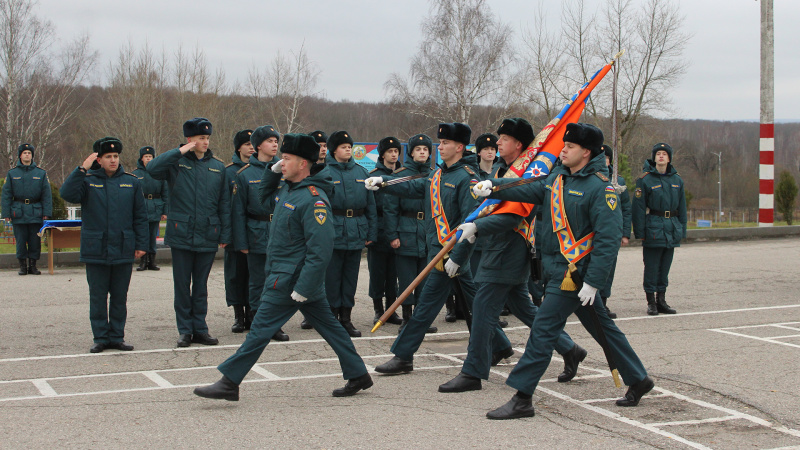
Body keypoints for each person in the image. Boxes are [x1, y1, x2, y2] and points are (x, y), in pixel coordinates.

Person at [473, 123, 653, 420]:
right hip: (555, 269)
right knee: (603, 328)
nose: (563, 150)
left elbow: (608, 241)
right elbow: (530, 188)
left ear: (586, 152)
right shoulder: (558, 178)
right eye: (564, 145)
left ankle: (522, 397)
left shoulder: (601, 188)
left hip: (575, 275)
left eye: (570, 146)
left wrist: (594, 282)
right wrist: (495, 186)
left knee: (542, 330)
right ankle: (638, 378)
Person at [193, 133, 373, 401]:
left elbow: (321, 251)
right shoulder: (289, 189)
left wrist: (303, 287)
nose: (282, 162)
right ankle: (358, 374)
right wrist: (272, 173)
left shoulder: (314, 200)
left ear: (303, 164)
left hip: (291, 280)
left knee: (259, 331)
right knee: (332, 328)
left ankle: (229, 382)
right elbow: (263, 199)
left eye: (287, 159)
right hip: (288, 275)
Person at [438, 118, 584, 393]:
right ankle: (569, 348)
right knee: (523, 308)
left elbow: (513, 216)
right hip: (497, 247)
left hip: (509, 250)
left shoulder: (529, 172)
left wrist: (477, 228)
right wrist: (469, 239)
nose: (498, 143)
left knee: (482, 310)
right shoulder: (502, 169)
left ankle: (472, 372)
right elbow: (486, 208)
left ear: (518, 145)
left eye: (504, 139)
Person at [365, 122, 512, 374]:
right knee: (476, 304)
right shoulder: (438, 174)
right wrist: (384, 182)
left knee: (425, 306)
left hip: (450, 254)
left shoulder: (467, 178)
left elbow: (470, 223)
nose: (439, 147)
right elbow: (414, 186)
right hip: (440, 250)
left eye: (445, 143)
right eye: (440, 143)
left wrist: (457, 257)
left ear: (459, 147)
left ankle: (403, 356)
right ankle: (501, 345)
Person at [147, 117, 231, 348]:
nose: (205, 142)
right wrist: (179, 151)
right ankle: (185, 330)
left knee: (201, 286)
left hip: (208, 233)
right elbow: (152, 169)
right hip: (181, 233)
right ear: (190, 140)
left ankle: (200, 329)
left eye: (207, 138)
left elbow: (224, 203)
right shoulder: (176, 163)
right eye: (200, 138)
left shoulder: (218, 167)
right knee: (182, 286)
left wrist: (225, 235)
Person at [60, 137, 148, 353]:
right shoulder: (87, 181)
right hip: (96, 248)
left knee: (119, 297)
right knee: (98, 297)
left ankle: (117, 337)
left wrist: (141, 243)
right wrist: (82, 169)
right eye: (108, 156)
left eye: (115, 156)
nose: (113, 160)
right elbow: (67, 194)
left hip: (123, 247)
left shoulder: (131, 182)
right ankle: (100, 337)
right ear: (98, 160)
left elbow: (140, 216)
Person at [232, 125, 289, 341]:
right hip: (256, 232)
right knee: (257, 282)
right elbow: (238, 212)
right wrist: (241, 242)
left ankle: (275, 323)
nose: (274, 145)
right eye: (269, 141)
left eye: (276, 141)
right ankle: (259, 322)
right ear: (258, 146)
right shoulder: (245, 174)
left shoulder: (285, 170)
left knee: (278, 281)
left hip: (281, 232)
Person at [324, 130, 377, 337]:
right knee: (332, 277)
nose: (348, 150)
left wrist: (371, 232)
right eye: (343, 147)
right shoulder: (325, 172)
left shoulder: (362, 172)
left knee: (350, 279)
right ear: (334, 150)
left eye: (349, 147)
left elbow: (370, 205)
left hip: (356, 229)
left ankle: (346, 318)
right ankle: (331, 318)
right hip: (333, 230)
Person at [383, 134, 437, 333]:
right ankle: (407, 318)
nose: (422, 152)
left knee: (425, 279)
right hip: (405, 230)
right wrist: (392, 235)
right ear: (411, 153)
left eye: (425, 149)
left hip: (428, 231)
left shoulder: (435, 175)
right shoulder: (400, 175)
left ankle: (421, 320)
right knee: (406, 279)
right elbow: (390, 209)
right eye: (418, 149)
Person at [632, 143, 686, 316]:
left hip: (671, 227)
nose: (661, 156)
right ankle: (651, 302)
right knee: (652, 267)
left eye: (664, 154)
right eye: (658, 154)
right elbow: (638, 208)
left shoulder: (677, 180)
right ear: (654, 158)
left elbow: (682, 207)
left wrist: (682, 230)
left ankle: (661, 300)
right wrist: (640, 233)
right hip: (653, 227)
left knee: (665, 267)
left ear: (669, 158)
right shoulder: (645, 179)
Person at [367, 136, 402, 326]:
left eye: (396, 151)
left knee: (393, 273)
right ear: (382, 154)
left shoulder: (402, 174)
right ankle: (378, 310)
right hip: (379, 228)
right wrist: (371, 233)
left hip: (397, 228)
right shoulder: (374, 175)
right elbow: (370, 206)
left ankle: (391, 310)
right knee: (377, 273)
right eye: (390, 151)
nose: (393, 154)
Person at [2, 143, 52, 275]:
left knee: (35, 241)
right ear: (20, 155)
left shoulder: (40, 173)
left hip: (36, 211)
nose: (27, 155)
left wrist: (46, 213)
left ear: (32, 155)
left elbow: (46, 195)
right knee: (20, 241)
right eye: (24, 153)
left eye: (29, 153)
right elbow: (6, 195)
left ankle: (33, 266)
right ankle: (23, 266)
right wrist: (6, 213)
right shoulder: (12, 173)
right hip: (18, 212)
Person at [224, 129, 254, 333]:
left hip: (254, 231)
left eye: (253, 144)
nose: (251, 148)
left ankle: (252, 313)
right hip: (235, 231)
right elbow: (225, 205)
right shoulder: (228, 172)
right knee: (235, 275)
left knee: (253, 275)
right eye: (247, 144)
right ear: (238, 148)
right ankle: (238, 315)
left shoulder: (263, 169)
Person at [599, 144, 631, 318]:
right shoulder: (589, 178)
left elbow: (626, 209)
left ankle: (603, 303)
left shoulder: (618, 182)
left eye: (606, 158)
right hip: (592, 232)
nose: (603, 161)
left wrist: (625, 233)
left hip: (612, 232)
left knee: (608, 269)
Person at [132, 146, 169, 271]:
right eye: (146, 157)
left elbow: (165, 193)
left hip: (156, 206)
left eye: (150, 157)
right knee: (142, 235)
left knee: (153, 236)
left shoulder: (160, 174)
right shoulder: (136, 174)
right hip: (141, 207)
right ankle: (143, 261)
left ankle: (152, 261)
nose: (148, 159)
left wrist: (165, 211)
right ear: (141, 159)